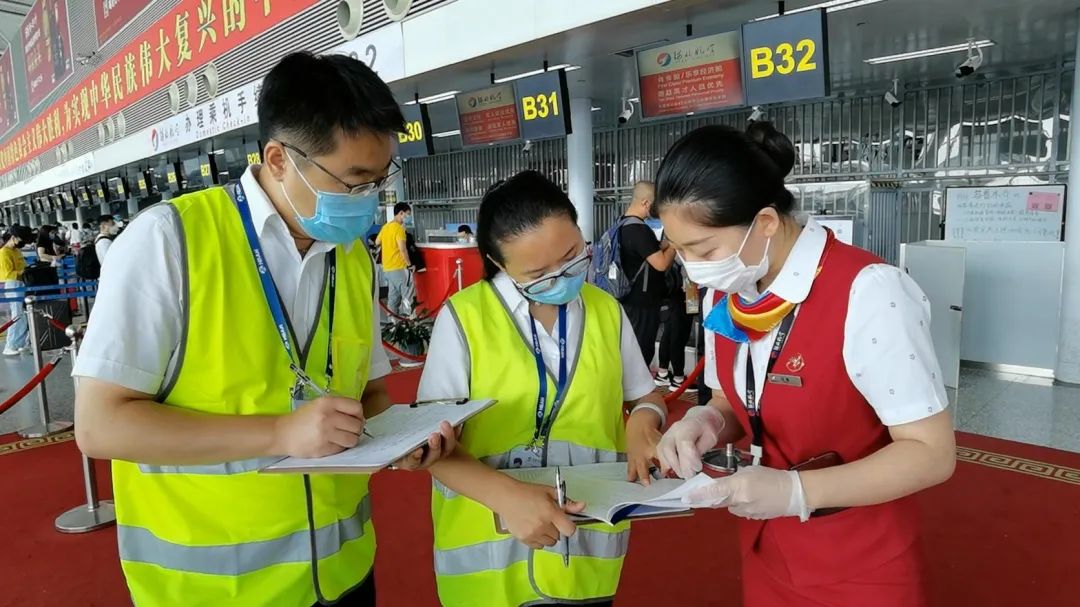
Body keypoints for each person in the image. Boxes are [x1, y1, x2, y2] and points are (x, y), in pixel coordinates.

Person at [72, 51, 456, 607]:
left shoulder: (350, 257)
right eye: (353, 180)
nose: (369, 199)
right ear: (279, 159)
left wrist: (400, 439)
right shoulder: (169, 242)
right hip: (215, 589)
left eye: (379, 179)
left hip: (342, 573)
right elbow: (101, 425)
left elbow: (368, 394)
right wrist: (279, 434)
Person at [653, 123, 955, 607]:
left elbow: (932, 453)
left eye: (703, 250)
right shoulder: (729, 291)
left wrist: (796, 492)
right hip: (768, 548)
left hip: (857, 563)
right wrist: (705, 420)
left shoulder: (868, 292)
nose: (691, 268)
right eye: (679, 249)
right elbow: (737, 400)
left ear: (766, 223)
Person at [419, 171, 667, 607]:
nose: (562, 276)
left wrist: (644, 424)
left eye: (572, 255)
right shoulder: (463, 319)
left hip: (585, 549)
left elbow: (644, 395)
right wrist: (507, 499)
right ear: (498, 263)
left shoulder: (606, 310)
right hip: (489, 558)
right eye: (538, 272)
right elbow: (428, 445)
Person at [619, 181, 676, 369]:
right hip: (642, 303)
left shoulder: (622, 224)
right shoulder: (639, 230)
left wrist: (667, 243)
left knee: (629, 349)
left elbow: (648, 252)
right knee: (642, 352)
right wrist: (676, 243)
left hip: (626, 299)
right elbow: (660, 263)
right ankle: (637, 395)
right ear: (646, 203)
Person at [655, 252, 697, 393]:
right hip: (684, 289)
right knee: (678, 335)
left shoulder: (666, 240)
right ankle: (678, 379)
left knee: (669, 332)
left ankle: (663, 373)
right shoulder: (679, 244)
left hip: (672, 289)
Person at [377, 202, 413, 317]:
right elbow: (403, 249)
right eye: (407, 214)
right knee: (408, 296)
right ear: (401, 213)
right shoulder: (399, 229)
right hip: (399, 268)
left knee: (393, 298)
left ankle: (392, 325)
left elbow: (377, 242)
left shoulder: (385, 227)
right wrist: (409, 264)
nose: (408, 217)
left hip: (387, 269)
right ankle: (409, 323)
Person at [0, 226, 32, 356]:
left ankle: (21, 344)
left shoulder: (17, 251)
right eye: (21, 239)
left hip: (21, 283)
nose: (22, 242)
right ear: (13, 237)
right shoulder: (4, 253)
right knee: (17, 315)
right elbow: (8, 273)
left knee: (23, 315)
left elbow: (23, 265)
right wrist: (23, 272)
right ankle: (10, 345)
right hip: (12, 284)